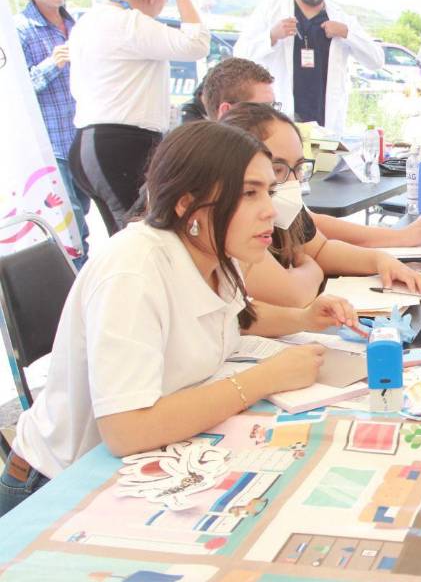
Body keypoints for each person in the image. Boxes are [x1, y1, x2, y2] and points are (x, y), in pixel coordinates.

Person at [0, 121, 360, 517]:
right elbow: (127, 429)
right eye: (250, 193)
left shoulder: (214, 250)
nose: (270, 211)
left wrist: (303, 317)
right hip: (59, 486)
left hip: (139, 466)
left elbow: (233, 319)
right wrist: (266, 379)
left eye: (269, 191)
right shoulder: (134, 269)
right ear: (187, 204)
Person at [184, 59, 421, 248]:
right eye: (263, 108)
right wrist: (398, 238)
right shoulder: (214, 185)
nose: (273, 116)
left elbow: (309, 226)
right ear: (227, 112)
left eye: (275, 106)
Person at [219, 103, 421, 307]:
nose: (292, 182)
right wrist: (312, 268)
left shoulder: (286, 205)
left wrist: (378, 260)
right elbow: (294, 295)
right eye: (277, 169)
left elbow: (320, 249)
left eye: (299, 167)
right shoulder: (236, 227)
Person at [67, 0, 209, 235]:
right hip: (119, 147)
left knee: (129, 238)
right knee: (143, 239)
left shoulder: (92, 20)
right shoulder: (128, 24)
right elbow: (197, 43)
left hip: (93, 144)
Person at [235, 0, 385, 135]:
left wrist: (347, 33)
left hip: (325, 124)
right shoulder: (271, 9)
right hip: (280, 117)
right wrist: (271, 36)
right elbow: (239, 55)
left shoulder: (341, 19)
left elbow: (376, 60)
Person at [8, 0, 89, 262]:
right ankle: (75, 288)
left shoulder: (77, 24)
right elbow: (17, 87)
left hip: (82, 135)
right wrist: (51, 65)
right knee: (73, 225)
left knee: (84, 215)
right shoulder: (21, 30)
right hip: (53, 144)